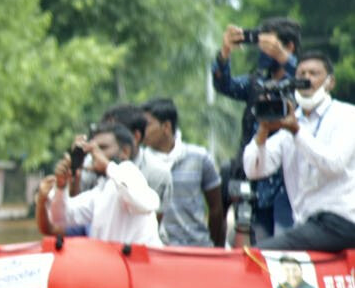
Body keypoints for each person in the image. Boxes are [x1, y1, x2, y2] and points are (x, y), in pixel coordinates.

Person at [242, 52, 355, 252]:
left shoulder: (346, 115)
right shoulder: (293, 122)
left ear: (330, 83)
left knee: (263, 253)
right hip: (307, 223)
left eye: (314, 73)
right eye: (301, 74)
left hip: (342, 220)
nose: (306, 78)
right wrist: (263, 131)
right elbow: (254, 170)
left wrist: (296, 131)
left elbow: (334, 163)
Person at [214, 17, 301, 241]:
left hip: (289, 182)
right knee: (255, 249)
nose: (263, 51)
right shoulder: (257, 82)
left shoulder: (302, 81)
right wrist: (225, 51)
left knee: (287, 247)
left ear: (289, 46)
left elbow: (310, 84)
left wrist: (286, 58)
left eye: (269, 45)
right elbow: (224, 85)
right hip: (254, 178)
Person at [38, 123, 162, 246]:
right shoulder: (99, 192)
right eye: (93, 149)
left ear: (124, 151)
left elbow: (147, 203)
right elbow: (60, 219)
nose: (95, 154)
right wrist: (61, 187)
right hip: (115, 263)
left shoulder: (128, 170)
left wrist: (108, 166)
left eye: (102, 148)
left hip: (141, 262)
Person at [141, 97, 226, 247]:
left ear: (166, 127)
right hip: (156, 249)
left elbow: (216, 208)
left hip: (196, 247)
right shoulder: (140, 164)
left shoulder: (199, 157)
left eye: (146, 125)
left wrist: (215, 250)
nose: (142, 131)